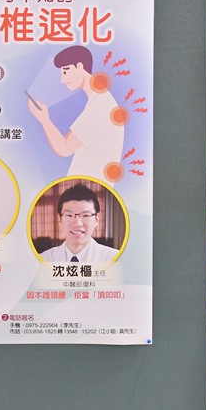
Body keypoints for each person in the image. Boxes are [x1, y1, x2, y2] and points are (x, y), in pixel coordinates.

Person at [27, 45, 126, 185]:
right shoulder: (100, 100)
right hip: (87, 189)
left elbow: (64, 148)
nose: (62, 80)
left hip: (88, 190)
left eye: (66, 71)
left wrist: (45, 120)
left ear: (80, 66)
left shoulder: (100, 105)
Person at [40, 183, 119, 263]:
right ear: (60, 219)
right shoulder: (43, 260)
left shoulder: (115, 259)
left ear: (96, 219)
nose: (78, 223)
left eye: (85, 215)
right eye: (69, 215)